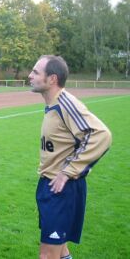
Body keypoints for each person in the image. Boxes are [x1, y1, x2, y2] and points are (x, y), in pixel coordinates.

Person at [28, 55, 112, 259]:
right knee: (61, 249)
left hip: (63, 190)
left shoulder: (66, 104)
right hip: (50, 185)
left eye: (36, 72)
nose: (29, 75)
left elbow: (101, 135)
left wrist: (68, 172)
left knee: (47, 255)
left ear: (52, 79)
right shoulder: (52, 105)